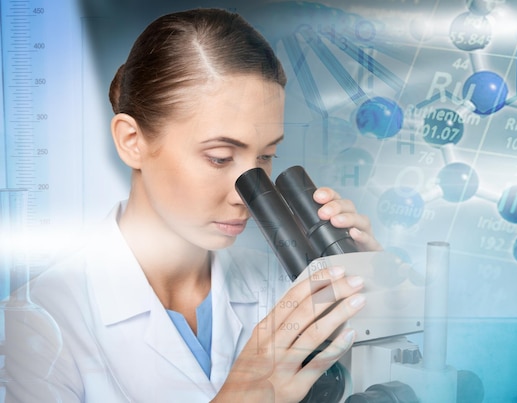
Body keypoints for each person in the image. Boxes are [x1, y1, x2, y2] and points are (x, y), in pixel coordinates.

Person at [6, 8, 381, 403]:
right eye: (220, 157)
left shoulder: (283, 284)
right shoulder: (35, 325)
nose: (247, 195)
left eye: (266, 158)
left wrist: (375, 301)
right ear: (132, 140)